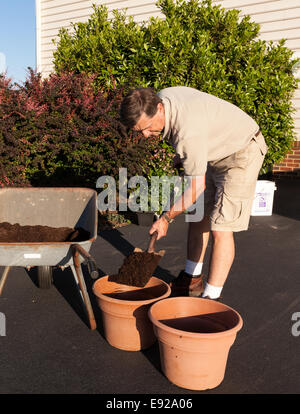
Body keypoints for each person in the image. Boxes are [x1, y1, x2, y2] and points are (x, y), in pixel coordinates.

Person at [120, 86, 268, 300]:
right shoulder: (159, 100)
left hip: (242, 151)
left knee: (221, 227)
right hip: (211, 152)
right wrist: (186, 158)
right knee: (198, 215)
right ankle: (192, 280)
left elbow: (196, 187)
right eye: (139, 130)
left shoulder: (187, 133)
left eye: (148, 127)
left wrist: (165, 218)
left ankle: (210, 299)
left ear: (159, 109)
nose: (145, 134)